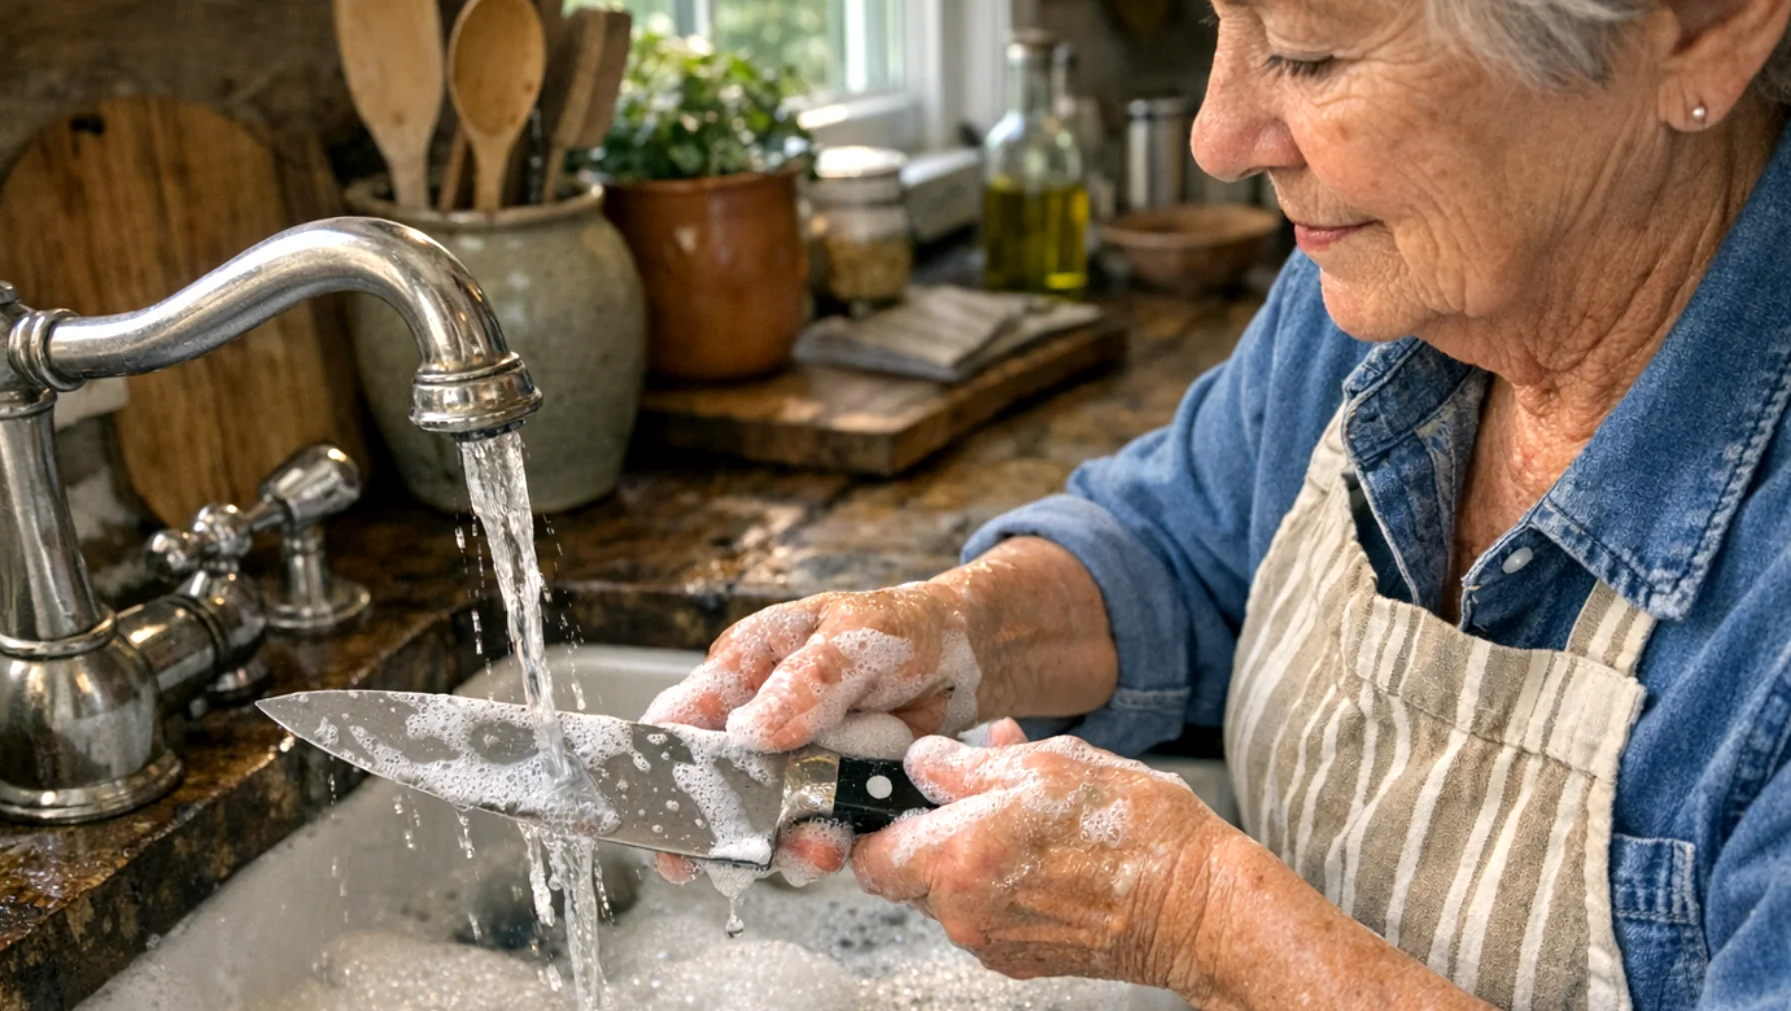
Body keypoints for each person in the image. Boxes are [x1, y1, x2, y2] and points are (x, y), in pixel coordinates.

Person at [644, 0, 1791, 1003]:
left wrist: (1201, 922)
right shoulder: (1383, 284)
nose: (1218, 136)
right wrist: (947, 628)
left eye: (1311, 53)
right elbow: (1181, 547)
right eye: (1221, 24)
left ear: (1700, 26)